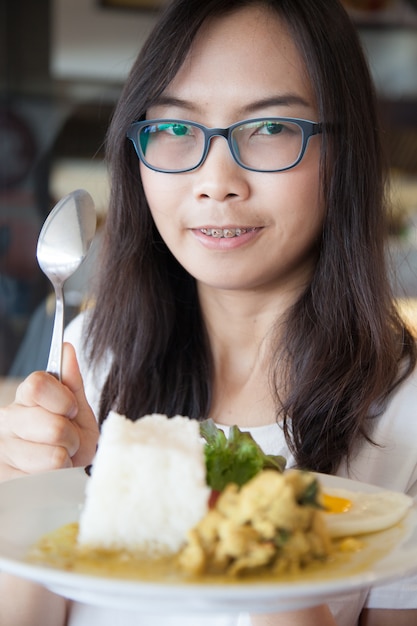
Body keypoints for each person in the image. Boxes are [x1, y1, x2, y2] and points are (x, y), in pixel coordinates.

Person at [0, 0, 416, 624]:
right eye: (172, 129)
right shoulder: (91, 354)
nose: (215, 181)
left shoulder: (405, 415)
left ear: (346, 152)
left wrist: (271, 553)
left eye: (271, 128)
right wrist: (29, 500)